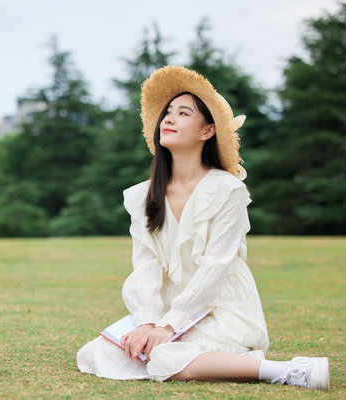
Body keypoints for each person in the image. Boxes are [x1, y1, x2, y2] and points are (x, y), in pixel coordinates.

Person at [76, 66, 329, 390]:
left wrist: (169, 327)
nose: (168, 119)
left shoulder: (228, 190)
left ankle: (285, 370)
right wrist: (149, 322)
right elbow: (146, 265)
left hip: (221, 307)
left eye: (183, 113)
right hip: (170, 311)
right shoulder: (143, 195)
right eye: (167, 113)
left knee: (164, 357)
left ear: (207, 131)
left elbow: (216, 267)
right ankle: (227, 362)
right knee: (99, 353)